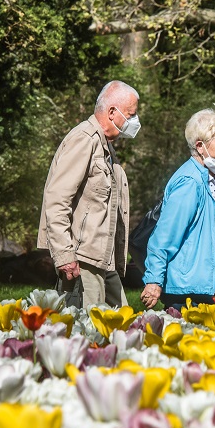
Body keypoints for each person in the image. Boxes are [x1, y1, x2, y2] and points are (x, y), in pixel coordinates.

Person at [37, 81, 139, 308]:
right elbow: (57, 200)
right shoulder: (84, 139)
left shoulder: (106, 146)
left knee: (124, 323)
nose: (135, 121)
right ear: (112, 112)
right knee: (92, 333)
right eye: (131, 115)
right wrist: (64, 255)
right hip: (82, 260)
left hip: (102, 260)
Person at [140, 108, 215, 310]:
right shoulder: (190, 182)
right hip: (184, 290)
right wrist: (154, 281)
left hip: (199, 286)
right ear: (200, 146)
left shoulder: (212, 180)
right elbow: (165, 235)